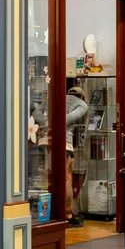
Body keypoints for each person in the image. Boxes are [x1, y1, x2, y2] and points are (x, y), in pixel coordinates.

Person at [31, 85, 90, 227]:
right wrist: (55, 122)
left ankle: (47, 213)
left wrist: (46, 122)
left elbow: (36, 114)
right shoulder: (82, 104)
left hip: (45, 142)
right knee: (66, 179)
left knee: (47, 178)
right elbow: (69, 118)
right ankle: (67, 215)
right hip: (64, 143)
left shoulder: (54, 99)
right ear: (82, 96)